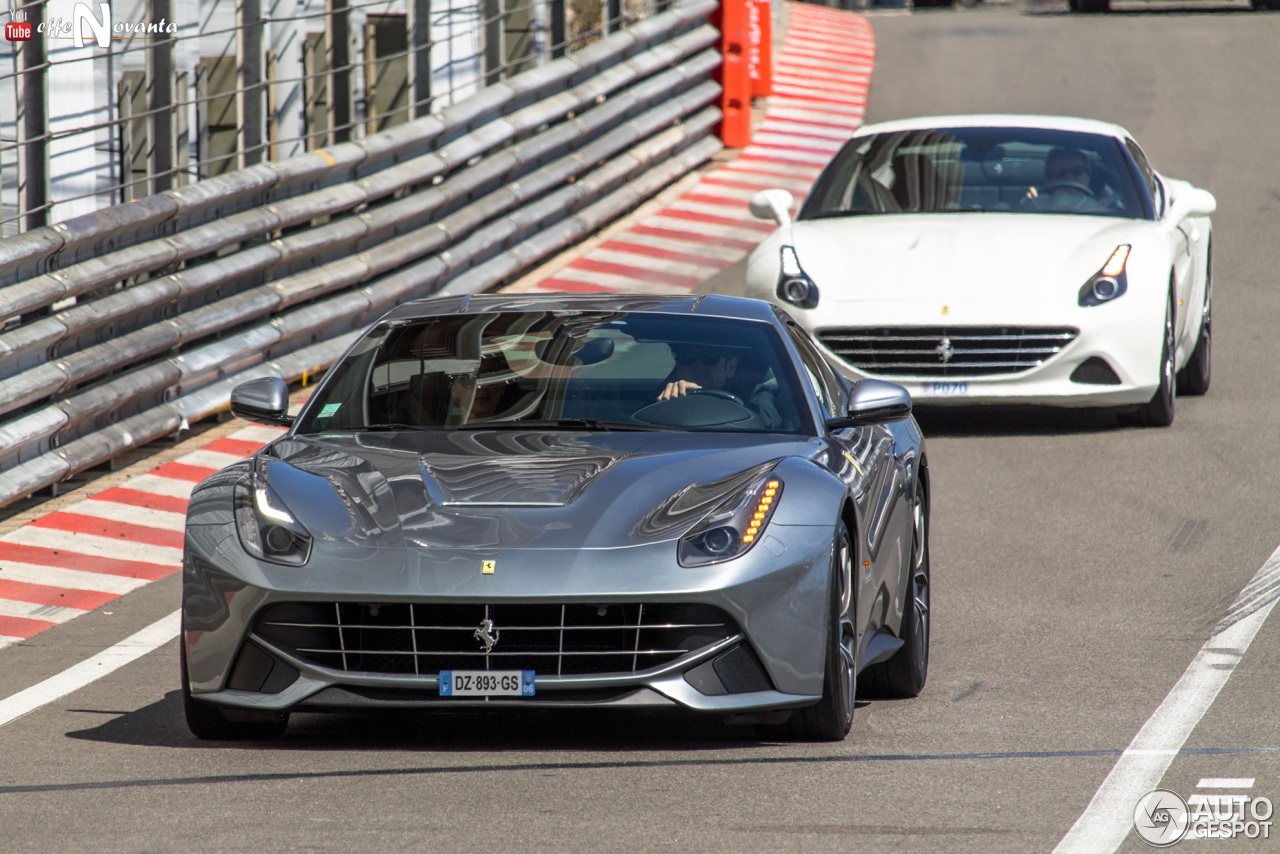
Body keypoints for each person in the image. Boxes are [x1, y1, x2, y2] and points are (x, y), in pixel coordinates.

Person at [657, 343, 781, 429]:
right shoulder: (666, 397)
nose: (699, 366)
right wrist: (663, 405)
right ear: (678, 368)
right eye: (687, 358)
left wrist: (704, 398)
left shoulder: (754, 393)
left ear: (730, 367)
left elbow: (769, 422)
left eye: (710, 358)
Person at [1023, 147, 1109, 213]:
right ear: (1050, 177)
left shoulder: (1104, 210)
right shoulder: (1034, 205)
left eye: (1077, 171)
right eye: (1060, 172)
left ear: (1089, 176)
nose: (1069, 177)